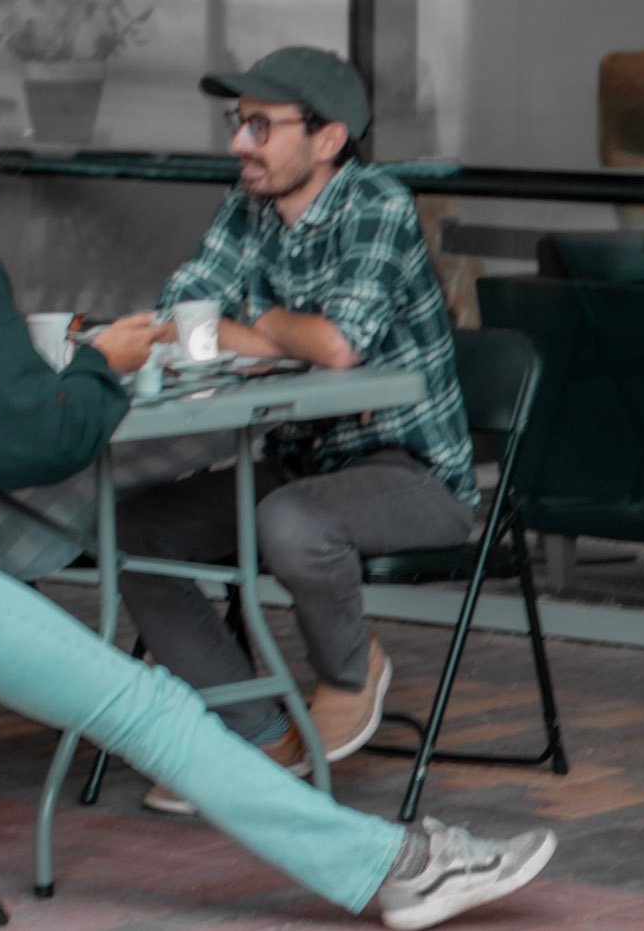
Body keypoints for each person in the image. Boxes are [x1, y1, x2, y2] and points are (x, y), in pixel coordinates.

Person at [0, 69, 554, 928]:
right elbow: (28, 440)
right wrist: (95, 365)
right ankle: (392, 869)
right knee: (147, 704)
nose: (242, 141)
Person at [116, 46, 477, 815]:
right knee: (133, 529)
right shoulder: (247, 204)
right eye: (237, 122)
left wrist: (256, 321)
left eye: (259, 126)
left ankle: (350, 671)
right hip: (298, 460)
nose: (238, 143)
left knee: (291, 520)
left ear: (328, 138)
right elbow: (179, 313)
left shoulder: (376, 203)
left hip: (412, 472)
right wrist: (278, 333)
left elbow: (339, 344)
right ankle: (256, 734)